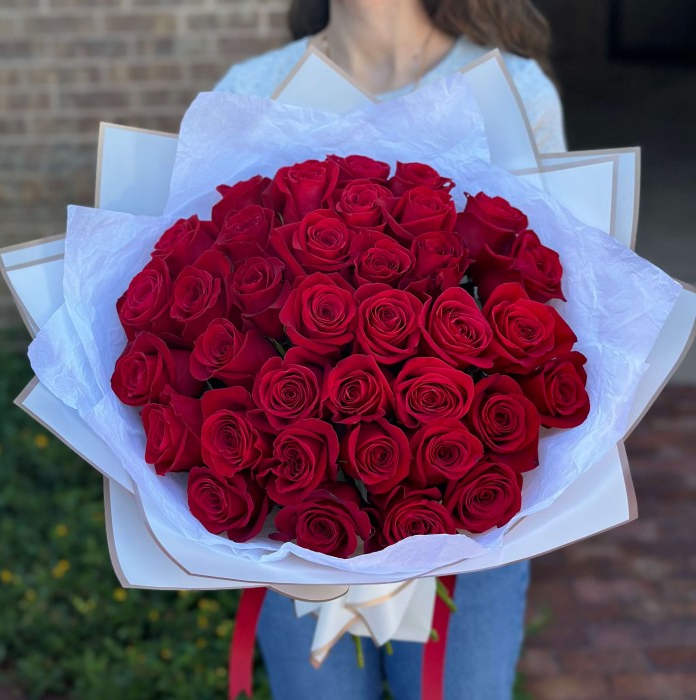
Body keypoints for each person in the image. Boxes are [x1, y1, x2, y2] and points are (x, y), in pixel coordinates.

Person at [215, 1, 566, 698]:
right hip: (299, 518)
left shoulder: (513, 89)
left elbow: (559, 311)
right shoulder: (250, 92)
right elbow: (220, 295)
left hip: (470, 518)